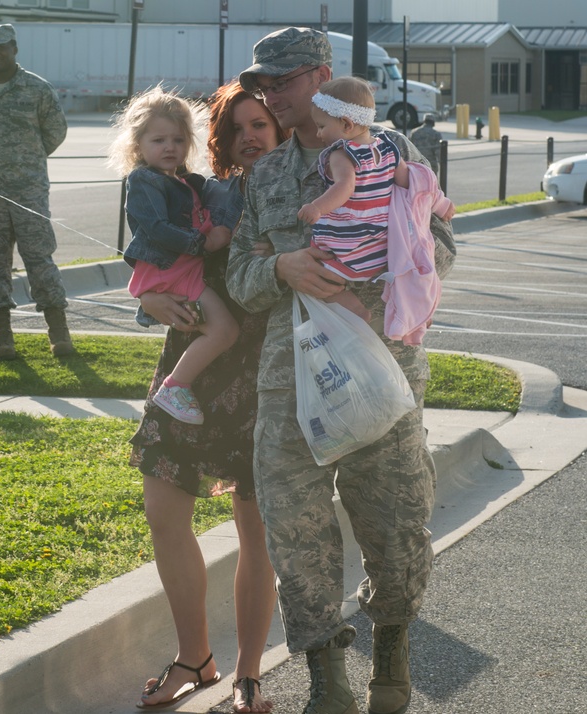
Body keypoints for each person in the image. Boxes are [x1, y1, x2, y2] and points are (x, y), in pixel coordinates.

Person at [227, 27, 456, 714]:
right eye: (262, 83)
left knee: (395, 519)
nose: (270, 93)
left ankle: (391, 646)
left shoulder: (390, 152)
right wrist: (279, 267)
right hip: (290, 377)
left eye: (284, 80)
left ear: (321, 77)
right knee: (293, 525)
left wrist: (382, 281)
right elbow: (239, 276)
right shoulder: (265, 174)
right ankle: (325, 675)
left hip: (383, 368)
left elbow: (440, 240)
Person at [129, 81, 288, 713]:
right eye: (239, 128)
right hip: (192, 370)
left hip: (263, 376)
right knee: (164, 514)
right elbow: (159, 251)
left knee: (255, 530)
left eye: (262, 126)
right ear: (219, 139)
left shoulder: (296, 191)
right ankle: (195, 657)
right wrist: (147, 300)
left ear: (280, 132)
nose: (251, 137)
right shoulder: (201, 190)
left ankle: (249, 674)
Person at [111, 86, 239, 425]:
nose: (170, 147)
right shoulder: (144, 180)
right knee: (224, 331)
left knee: (216, 328)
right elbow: (156, 227)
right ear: (137, 144)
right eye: (159, 140)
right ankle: (175, 385)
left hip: (183, 270)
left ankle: (179, 381)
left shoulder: (183, 181)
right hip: (173, 271)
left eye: (179, 140)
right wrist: (204, 243)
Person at [296, 77, 454, 324]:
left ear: (346, 124)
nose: (318, 134)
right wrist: (442, 205)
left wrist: (317, 207)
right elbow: (414, 185)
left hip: (346, 245)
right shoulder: (390, 149)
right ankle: (414, 308)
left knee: (317, 277)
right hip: (380, 248)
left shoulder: (341, 153)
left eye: (321, 126)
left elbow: (344, 187)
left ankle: (355, 308)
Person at [0, 23, 73, 360]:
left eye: (0, 48)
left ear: (14, 48)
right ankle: (2, 336)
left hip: (28, 192)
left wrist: (26, 159)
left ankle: (59, 334)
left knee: (39, 260)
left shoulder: (37, 89)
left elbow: (55, 131)